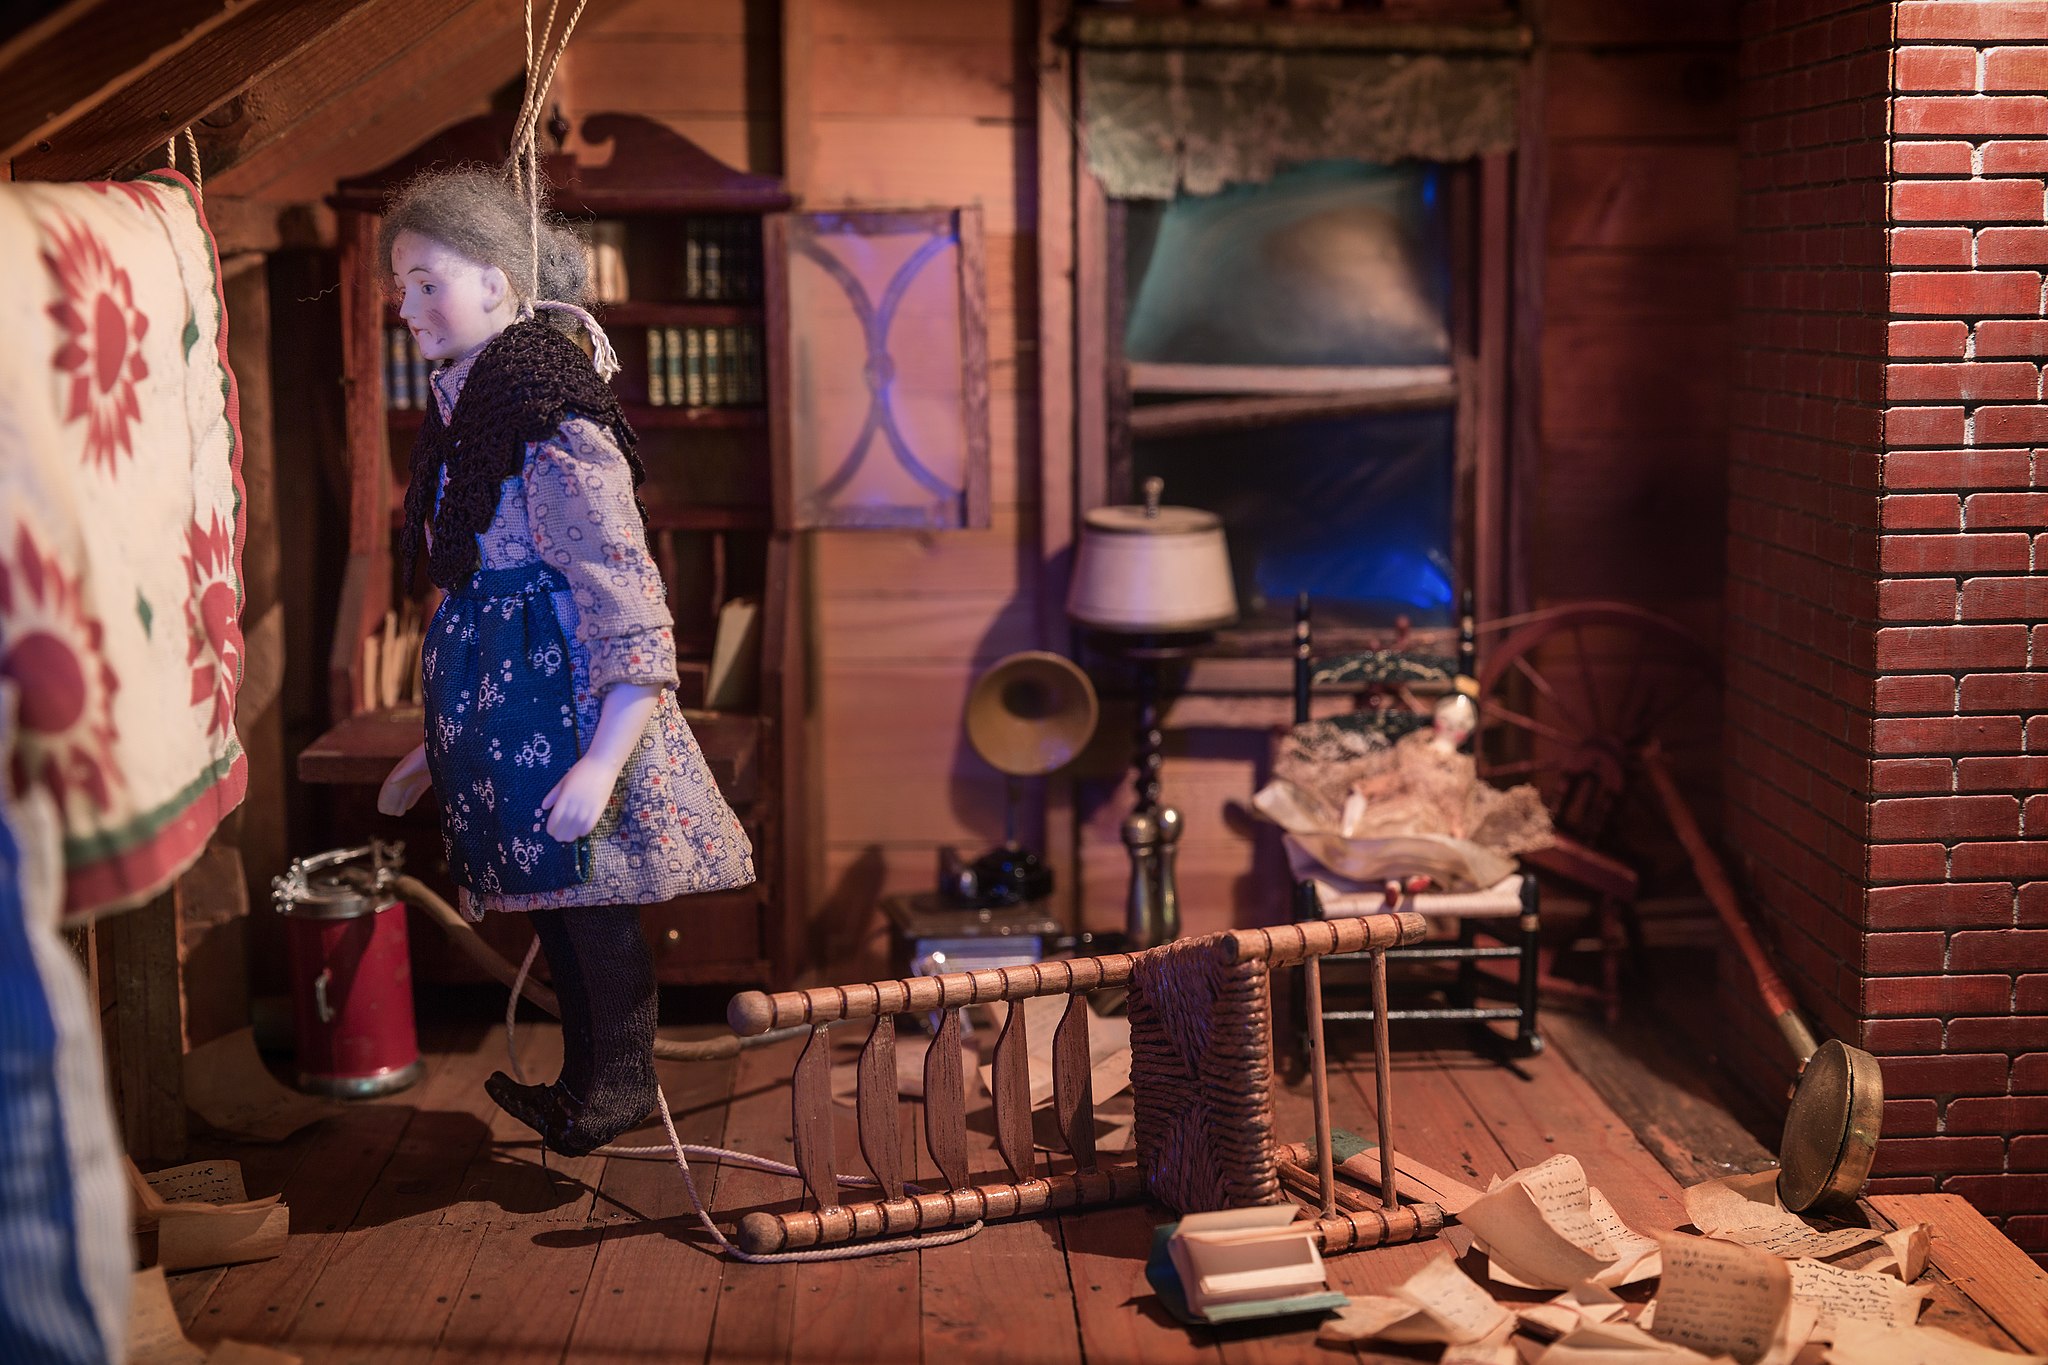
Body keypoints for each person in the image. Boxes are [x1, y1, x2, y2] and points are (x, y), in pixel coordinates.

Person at [374, 167, 754, 1156]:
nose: (407, 308)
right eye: (402, 287)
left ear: (500, 282)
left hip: (572, 702)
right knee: (561, 905)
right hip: (510, 705)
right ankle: (590, 1082)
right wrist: (435, 745)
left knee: (591, 906)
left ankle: (616, 1084)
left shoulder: (549, 415)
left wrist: (603, 757)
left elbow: (621, 593)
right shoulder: (469, 405)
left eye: (428, 283)